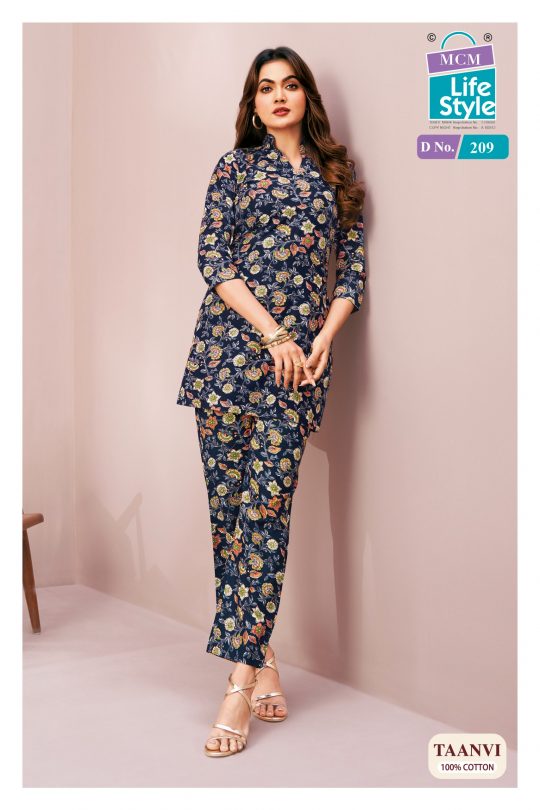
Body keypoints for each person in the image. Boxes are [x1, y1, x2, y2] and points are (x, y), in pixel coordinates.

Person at [176, 46, 366, 757]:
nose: (278, 95)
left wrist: (322, 339)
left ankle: (238, 681)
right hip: (226, 358)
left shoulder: (335, 175)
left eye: (289, 85)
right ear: (253, 105)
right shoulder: (234, 169)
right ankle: (264, 658)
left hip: (296, 372)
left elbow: (353, 269)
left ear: (305, 95)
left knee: (265, 513)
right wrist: (275, 332)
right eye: (265, 87)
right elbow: (213, 260)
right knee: (230, 520)